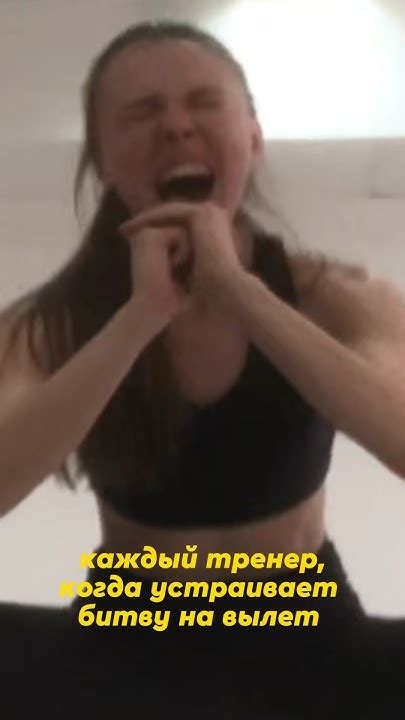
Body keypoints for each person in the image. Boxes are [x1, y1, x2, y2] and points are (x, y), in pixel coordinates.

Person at [1, 20, 405, 720]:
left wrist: (240, 292)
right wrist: (138, 319)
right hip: (132, 620)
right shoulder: (47, 324)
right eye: (142, 112)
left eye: (203, 103)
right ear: (102, 159)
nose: (177, 127)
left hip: (301, 620)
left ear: (253, 136)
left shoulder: (341, 296)